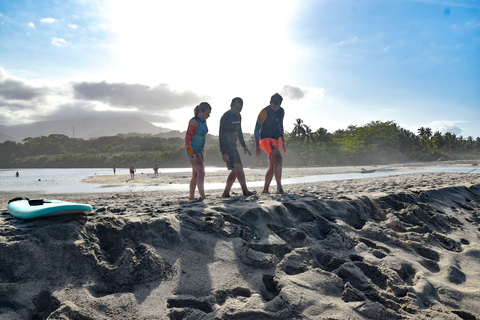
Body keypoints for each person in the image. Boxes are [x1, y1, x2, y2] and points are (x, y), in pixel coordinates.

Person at [219, 97, 254, 197]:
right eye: (236, 108)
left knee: (235, 170)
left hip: (233, 145)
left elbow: (239, 131)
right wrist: (224, 152)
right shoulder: (225, 117)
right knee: (238, 167)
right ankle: (244, 191)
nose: (238, 110)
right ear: (231, 106)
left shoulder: (238, 116)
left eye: (240, 108)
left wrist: (244, 145)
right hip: (226, 146)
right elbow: (221, 135)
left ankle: (226, 192)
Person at [254, 93, 286, 194]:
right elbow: (256, 130)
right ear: (270, 102)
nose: (275, 108)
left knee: (272, 165)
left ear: (280, 104)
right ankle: (279, 188)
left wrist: (283, 142)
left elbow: (281, 126)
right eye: (273, 106)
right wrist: (257, 146)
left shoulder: (281, 111)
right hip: (265, 139)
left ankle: (265, 189)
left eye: (277, 106)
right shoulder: (264, 112)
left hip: (275, 140)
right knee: (279, 158)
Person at [185, 102, 212, 200]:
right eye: (207, 113)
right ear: (200, 111)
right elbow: (188, 138)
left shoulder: (204, 121)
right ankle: (203, 196)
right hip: (192, 151)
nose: (209, 115)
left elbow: (201, 136)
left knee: (196, 175)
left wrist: (202, 148)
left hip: (199, 151)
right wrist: (191, 153)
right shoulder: (194, 121)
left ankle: (191, 197)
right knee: (201, 172)